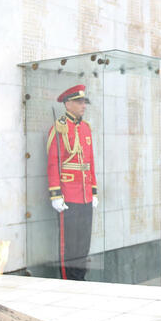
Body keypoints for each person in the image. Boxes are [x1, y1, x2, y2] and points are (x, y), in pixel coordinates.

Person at [47, 84, 98, 281]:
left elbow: (90, 162)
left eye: (84, 102)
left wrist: (93, 191)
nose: (83, 105)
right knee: (69, 244)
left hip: (85, 195)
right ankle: (69, 281)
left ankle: (80, 278)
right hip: (68, 194)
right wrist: (56, 194)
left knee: (83, 242)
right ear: (68, 104)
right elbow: (53, 163)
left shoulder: (86, 128)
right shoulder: (59, 127)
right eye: (79, 102)